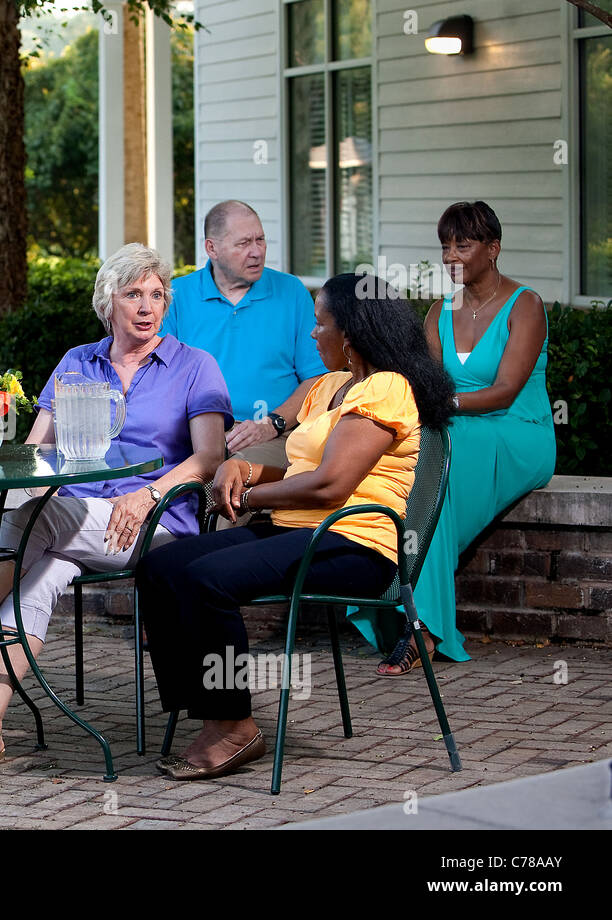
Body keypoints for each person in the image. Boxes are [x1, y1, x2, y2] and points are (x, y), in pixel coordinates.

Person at [0, 243, 232, 777]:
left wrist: (147, 493)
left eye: (157, 295)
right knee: (32, 571)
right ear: (108, 302)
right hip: (73, 525)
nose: (147, 305)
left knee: (31, 521)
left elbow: (209, 456)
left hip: (152, 525)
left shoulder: (194, 366)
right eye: (133, 294)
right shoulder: (77, 362)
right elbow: (35, 454)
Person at [135, 274, 454, 781]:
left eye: (319, 324)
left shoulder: (387, 389)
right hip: (298, 531)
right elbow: (297, 468)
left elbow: (330, 485)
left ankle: (234, 725)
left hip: (356, 545)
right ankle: (202, 709)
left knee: (205, 580)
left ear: (348, 335)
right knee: (160, 566)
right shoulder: (328, 387)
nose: (311, 335)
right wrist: (244, 469)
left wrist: (248, 495)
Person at [350, 201, 556, 675]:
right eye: (446, 246)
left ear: (493, 248)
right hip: (456, 428)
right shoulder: (440, 311)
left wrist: (441, 408)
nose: (451, 255)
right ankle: (395, 608)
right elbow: (423, 381)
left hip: (516, 433)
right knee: (404, 465)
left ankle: (422, 629)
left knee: (436, 467)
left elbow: (505, 392)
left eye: (463, 244)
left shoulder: (525, 305)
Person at [158, 201, 325, 472]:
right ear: (212, 248)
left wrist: (273, 423)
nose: (257, 252)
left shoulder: (291, 292)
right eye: (244, 243)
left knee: (230, 477)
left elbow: (317, 379)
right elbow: (161, 380)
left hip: (275, 434)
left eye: (260, 240)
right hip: (194, 434)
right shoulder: (176, 296)